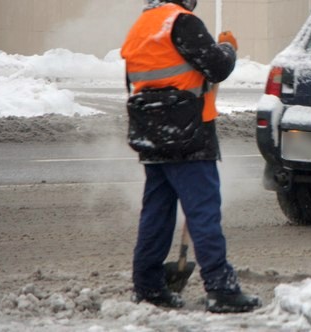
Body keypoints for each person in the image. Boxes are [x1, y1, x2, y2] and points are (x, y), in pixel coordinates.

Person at [121, 0, 260, 312]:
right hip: (188, 134)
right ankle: (220, 288)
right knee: (203, 211)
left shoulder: (142, 26)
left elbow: (137, 80)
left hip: (152, 132)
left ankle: (148, 286)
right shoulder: (181, 22)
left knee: (156, 213)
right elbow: (217, 67)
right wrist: (227, 47)